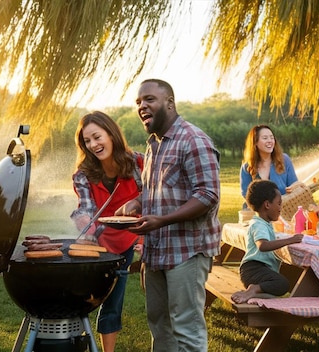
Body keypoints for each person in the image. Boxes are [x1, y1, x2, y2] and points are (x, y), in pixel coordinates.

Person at [118, 79, 220, 352]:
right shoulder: (154, 144)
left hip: (186, 251)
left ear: (170, 103)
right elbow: (158, 190)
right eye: (138, 102)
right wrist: (136, 202)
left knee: (186, 327)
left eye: (149, 99)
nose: (142, 106)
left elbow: (208, 196)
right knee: (159, 324)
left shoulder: (194, 140)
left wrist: (161, 221)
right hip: (156, 250)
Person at [70, 111, 143, 352]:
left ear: (111, 134)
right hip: (96, 246)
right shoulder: (83, 174)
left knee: (113, 303)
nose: (93, 145)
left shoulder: (138, 164)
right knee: (80, 301)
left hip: (126, 243)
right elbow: (86, 210)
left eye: (96, 137)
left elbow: (154, 196)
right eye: (87, 141)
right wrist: (86, 230)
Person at [231, 180, 303, 304]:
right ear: (267, 205)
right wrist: (290, 240)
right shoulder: (259, 225)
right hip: (253, 270)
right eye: (279, 204)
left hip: (259, 270)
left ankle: (259, 295)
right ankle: (254, 289)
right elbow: (262, 246)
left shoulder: (264, 223)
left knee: (294, 273)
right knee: (282, 284)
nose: (281, 208)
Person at [240, 125, 298, 203]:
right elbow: (246, 195)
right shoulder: (247, 167)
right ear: (255, 142)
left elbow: (294, 186)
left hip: (284, 209)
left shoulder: (284, 160)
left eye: (272, 137)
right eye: (265, 138)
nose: (270, 141)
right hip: (257, 212)